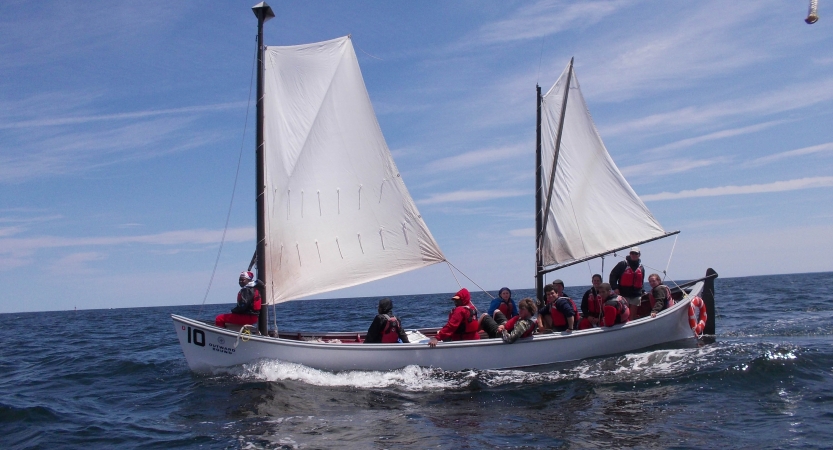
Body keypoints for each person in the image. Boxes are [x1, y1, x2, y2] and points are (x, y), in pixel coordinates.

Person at [609, 246, 645, 322]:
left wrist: (643, 291)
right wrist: (615, 287)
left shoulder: (641, 267)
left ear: (639, 255)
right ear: (630, 254)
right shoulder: (623, 264)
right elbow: (613, 275)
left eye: (636, 253)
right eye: (632, 253)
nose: (634, 255)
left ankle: (631, 326)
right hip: (624, 294)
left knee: (632, 315)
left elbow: (641, 280)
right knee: (624, 313)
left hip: (636, 295)